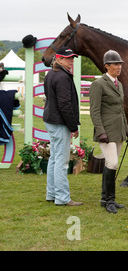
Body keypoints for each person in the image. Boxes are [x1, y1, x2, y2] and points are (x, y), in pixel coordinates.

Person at [89, 50, 128, 214]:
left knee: (110, 164)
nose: (119, 66)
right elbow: (94, 111)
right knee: (112, 163)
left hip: (118, 129)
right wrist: (100, 131)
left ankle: (105, 198)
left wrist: (127, 130)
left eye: (120, 64)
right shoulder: (98, 84)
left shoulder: (118, 84)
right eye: (116, 64)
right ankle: (109, 200)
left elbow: (121, 110)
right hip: (105, 131)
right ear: (107, 66)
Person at [43, 47, 82, 206]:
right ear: (58, 59)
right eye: (68, 58)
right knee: (61, 160)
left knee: (54, 158)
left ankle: (51, 194)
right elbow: (65, 104)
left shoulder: (51, 74)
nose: (71, 61)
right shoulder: (62, 77)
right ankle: (62, 198)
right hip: (59, 122)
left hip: (51, 119)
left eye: (72, 58)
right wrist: (73, 127)